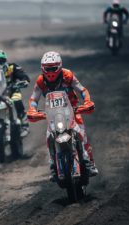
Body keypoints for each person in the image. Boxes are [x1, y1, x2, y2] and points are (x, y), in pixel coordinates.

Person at [27, 51, 98, 180]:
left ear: (59, 67)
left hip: (72, 110)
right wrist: (32, 110)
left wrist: (87, 101)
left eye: (53, 68)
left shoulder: (68, 75)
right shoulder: (40, 81)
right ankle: (53, 165)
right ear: (42, 68)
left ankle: (90, 162)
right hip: (53, 115)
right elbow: (33, 99)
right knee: (49, 136)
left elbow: (82, 90)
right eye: (47, 69)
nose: (50, 72)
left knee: (81, 133)